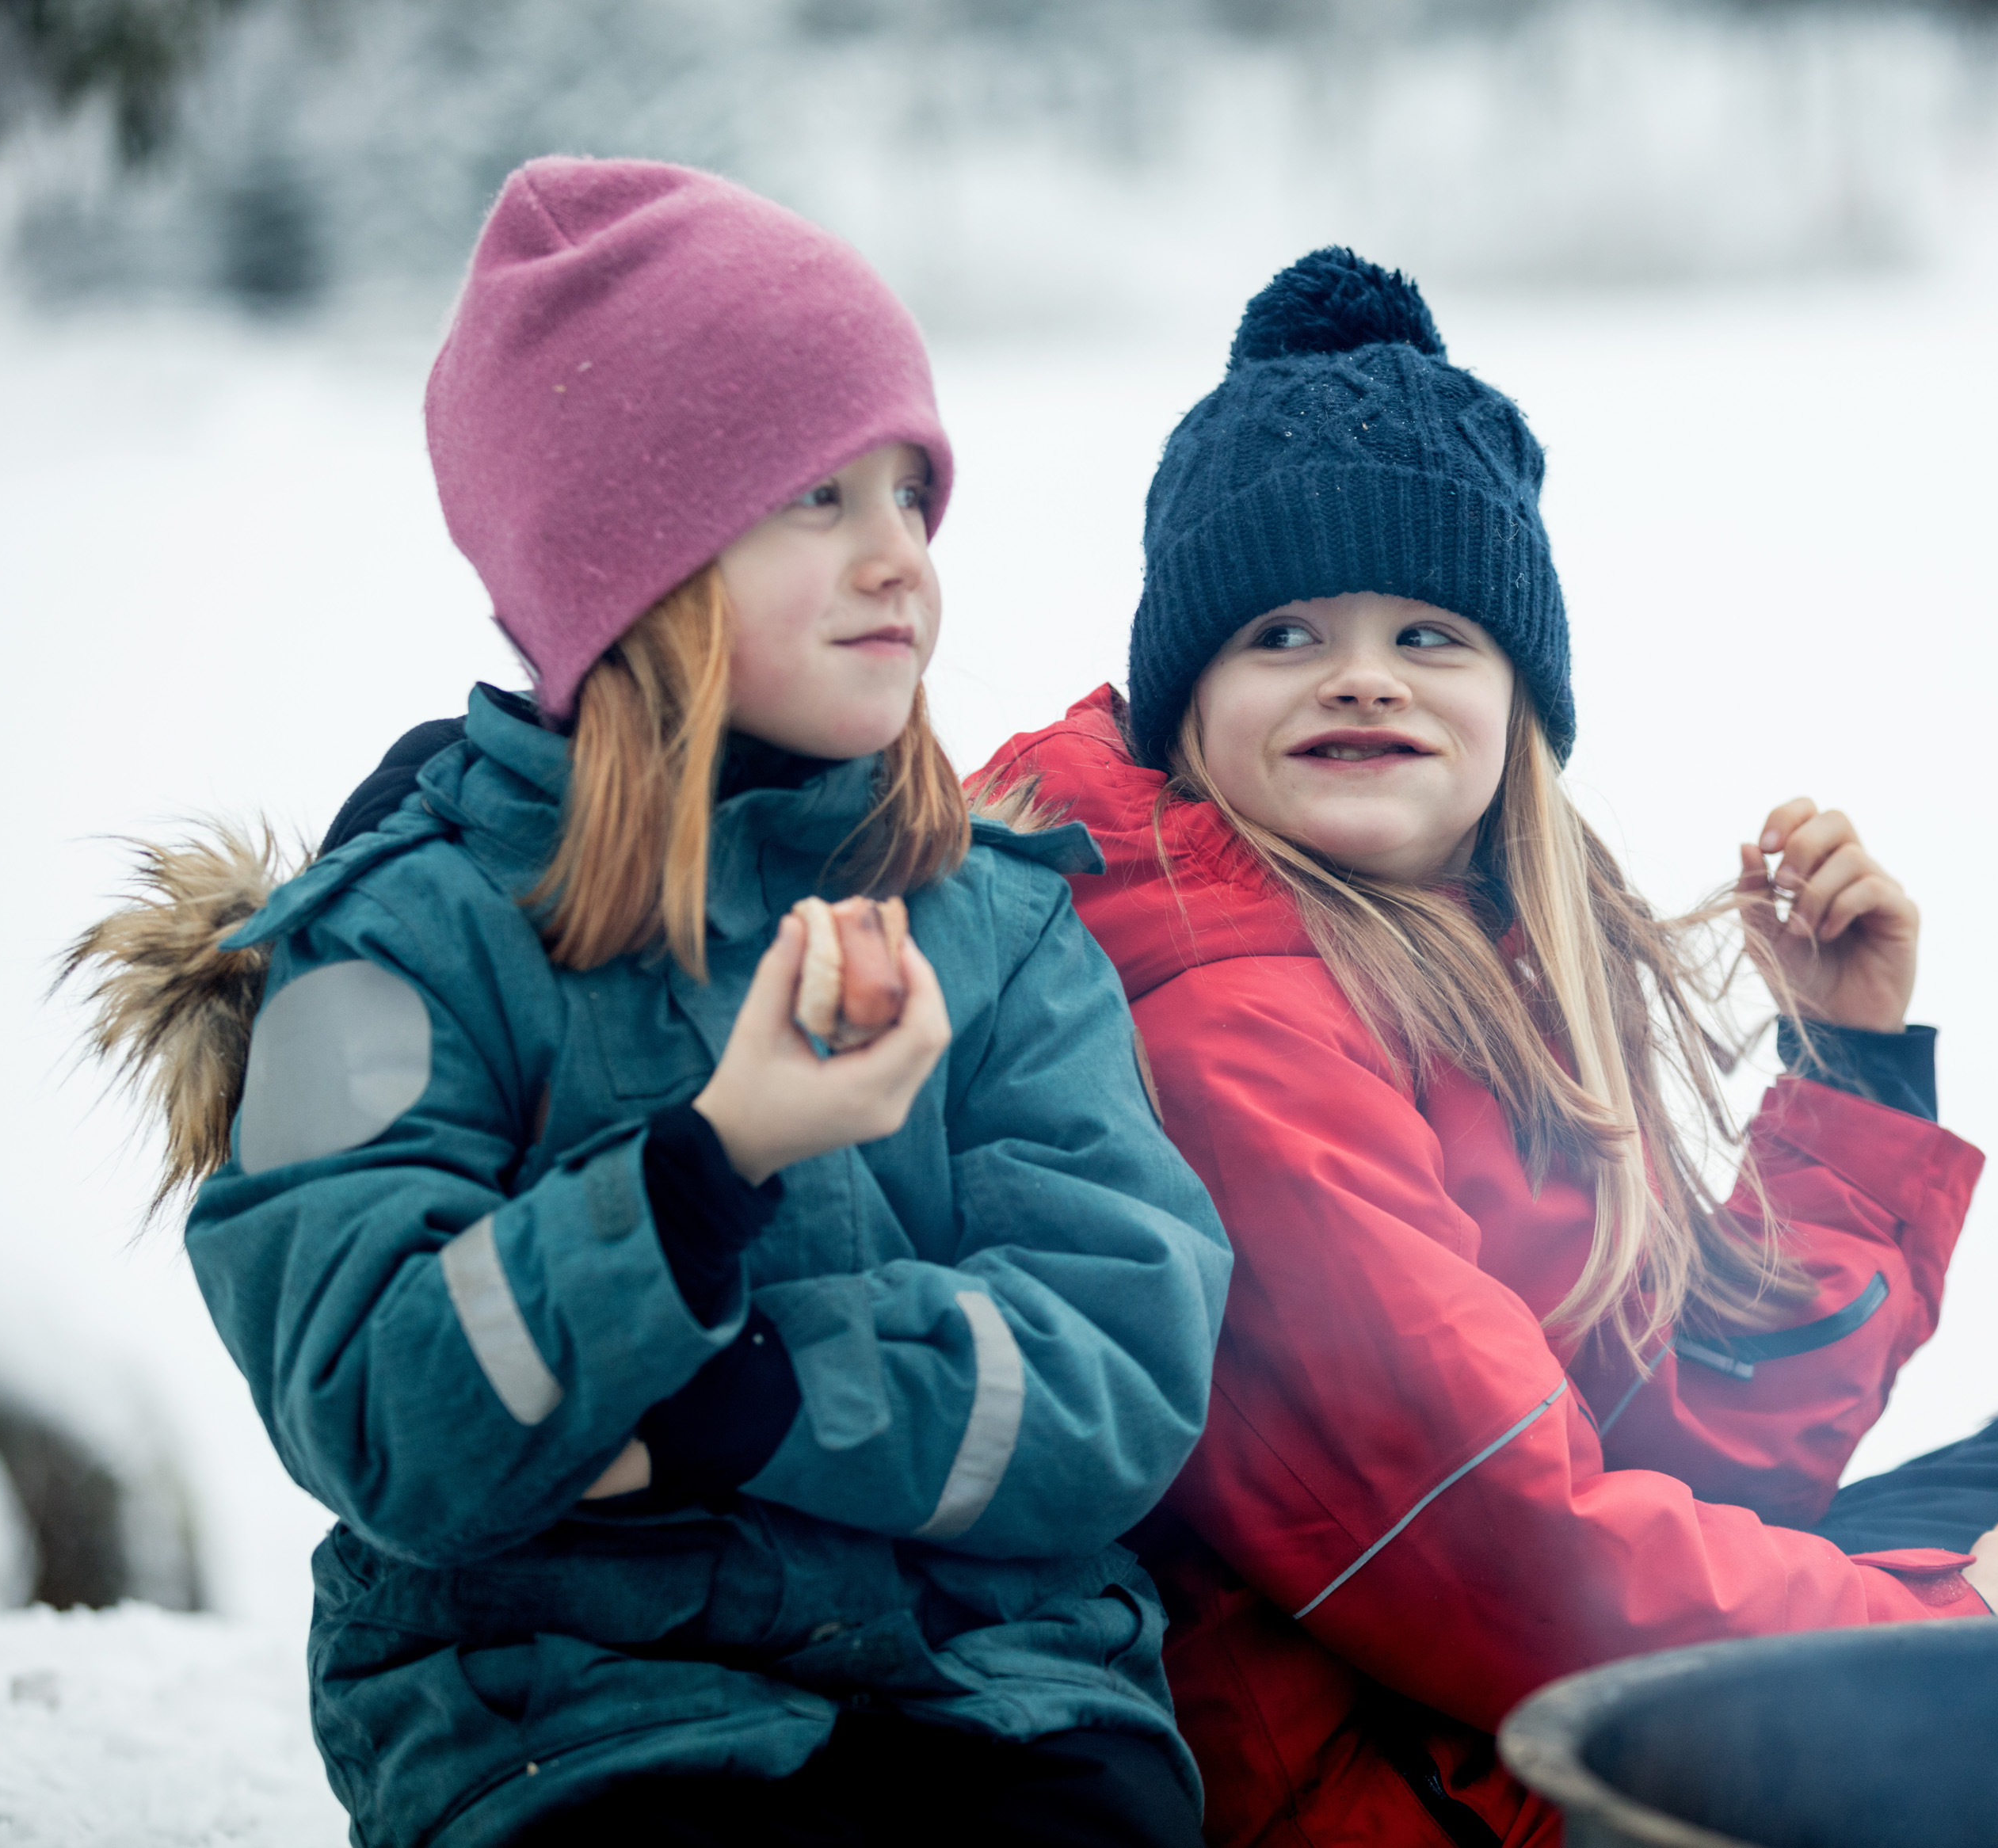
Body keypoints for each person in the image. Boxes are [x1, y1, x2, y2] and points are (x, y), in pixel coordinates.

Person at [967, 248, 1998, 1848]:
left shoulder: (1455, 958)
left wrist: (1842, 1077)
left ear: (1519, 707)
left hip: (1484, 1694)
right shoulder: (1220, 1025)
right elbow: (1502, 1539)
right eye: (1283, 631)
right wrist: (1954, 1641)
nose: (1361, 672)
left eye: (1431, 632)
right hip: (1377, 1787)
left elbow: (1679, 1435)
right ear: (1183, 705)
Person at [63, 158, 1231, 1848]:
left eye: (912, 491)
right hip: (573, 1721)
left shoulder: (995, 918)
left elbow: (1123, 1360)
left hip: (993, 1686)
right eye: (817, 499)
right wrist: (703, 1169)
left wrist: (728, 1399)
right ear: (635, 564)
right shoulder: (397, 947)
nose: (899, 557)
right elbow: (383, 1415)